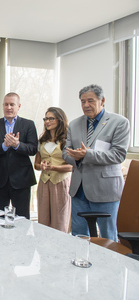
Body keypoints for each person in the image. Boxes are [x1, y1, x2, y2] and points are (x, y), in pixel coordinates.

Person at [63, 84, 130, 241]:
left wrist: (87, 155)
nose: (86, 105)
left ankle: (109, 266)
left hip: (105, 191)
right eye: (82, 101)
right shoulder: (74, 124)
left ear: (102, 101)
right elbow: (66, 153)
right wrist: (76, 157)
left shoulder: (119, 123)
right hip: (79, 191)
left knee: (108, 237)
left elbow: (118, 155)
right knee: (79, 235)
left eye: (91, 101)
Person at [0, 92, 38, 219]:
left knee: (22, 218)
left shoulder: (28, 124)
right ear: (2, 106)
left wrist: (17, 145)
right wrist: (4, 146)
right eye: (6, 104)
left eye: (12, 104)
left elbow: (33, 149)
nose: (9, 107)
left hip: (22, 180)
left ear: (18, 106)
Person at [34, 107, 72, 232]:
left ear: (60, 120)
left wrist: (55, 167)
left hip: (61, 183)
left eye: (51, 118)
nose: (47, 122)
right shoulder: (42, 140)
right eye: (46, 118)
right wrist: (42, 167)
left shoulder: (67, 141)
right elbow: (36, 164)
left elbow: (72, 166)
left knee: (60, 221)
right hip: (44, 183)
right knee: (43, 221)